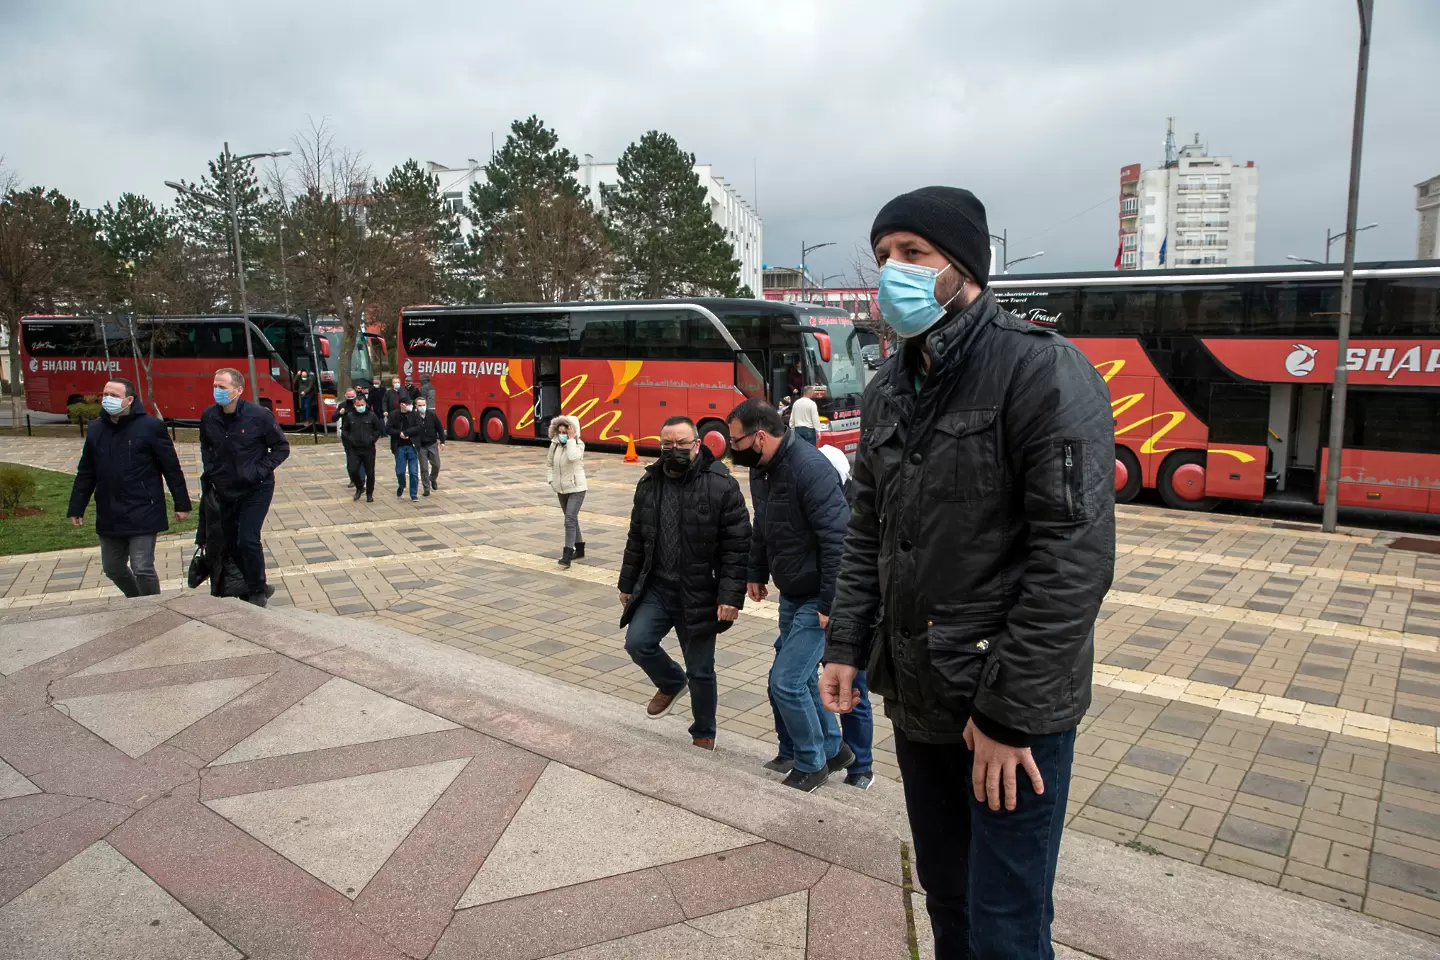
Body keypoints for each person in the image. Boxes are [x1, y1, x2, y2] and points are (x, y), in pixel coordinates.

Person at [821, 186, 1116, 959]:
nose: (894, 272)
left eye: (913, 254)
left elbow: (1074, 557)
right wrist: (846, 644)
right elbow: (864, 531)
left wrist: (1009, 714)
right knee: (947, 899)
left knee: (1007, 925)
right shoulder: (887, 387)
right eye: (884, 256)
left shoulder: (1041, 371)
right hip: (919, 694)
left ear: (965, 267)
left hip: (1008, 712)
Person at [728, 398, 851, 793]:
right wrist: (756, 571)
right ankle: (833, 749)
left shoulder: (810, 469)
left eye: (736, 441)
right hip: (792, 592)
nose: (733, 449)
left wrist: (831, 605)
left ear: (759, 437)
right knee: (798, 680)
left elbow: (838, 541)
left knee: (786, 682)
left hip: (820, 599)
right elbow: (761, 525)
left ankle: (811, 762)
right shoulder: (762, 469)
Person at [618, 416, 751, 751]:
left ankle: (704, 733)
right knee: (637, 642)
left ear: (697, 445)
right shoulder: (649, 483)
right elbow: (637, 537)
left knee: (702, 669)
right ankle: (671, 681)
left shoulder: (721, 484)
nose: (673, 450)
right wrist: (627, 583)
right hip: (658, 588)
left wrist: (731, 596)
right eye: (667, 444)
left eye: (680, 444)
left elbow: (738, 545)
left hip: (701, 592)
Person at [766, 438, 873, 789]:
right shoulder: (798, 486)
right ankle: (832, 748)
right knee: (806, 679)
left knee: (829, 686)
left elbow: (847, 557)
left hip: (836, 609)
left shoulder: (853, 508)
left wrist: (831, 606)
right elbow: (770, 532)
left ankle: (845, 764)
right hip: (805, 597)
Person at [66, 378, 192, 598]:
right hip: (109, 510)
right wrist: (77, 507)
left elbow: (171, 468)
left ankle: (154, 605)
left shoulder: (151, 427)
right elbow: (86, 472)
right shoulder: (96, 429)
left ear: (129, 400)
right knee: (113, 568)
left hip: (143, 507)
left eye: (114, 396)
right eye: (105, 394)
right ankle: (137, 601)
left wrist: (182, 504)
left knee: (142, 567)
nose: (107, 399)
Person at [200, 367, 291, 607]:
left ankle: (257, 591)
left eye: (223, 387)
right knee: (231, 542)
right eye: (215, 386)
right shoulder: (209, 416)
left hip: (256, 488)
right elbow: (206, 447)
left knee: (248, 539)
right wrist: (211, 472)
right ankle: (255, 583)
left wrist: (258, 471)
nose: (217, 391)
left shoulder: (258, 416)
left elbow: (282, 448)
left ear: (238, 390)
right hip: (226, 489)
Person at [547, 415, 587, 567]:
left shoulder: (578, 445)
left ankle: (567, 554)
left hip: (577, 488)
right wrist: (551, 480)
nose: (562, 435)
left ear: (573, 431)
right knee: (571, 518)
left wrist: (571, 440)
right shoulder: (554, 445)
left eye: (566, 432)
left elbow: (572, 457)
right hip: (561, 488)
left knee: (569, 519)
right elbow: (549, 463)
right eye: (560, 432)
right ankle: (580, 548)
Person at [341, 391, 384, 502]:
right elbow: (344, 430)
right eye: (358, 405)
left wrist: (372, 439)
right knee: (353, 469)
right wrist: (350, 439)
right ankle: (359, 487)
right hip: (354, 449)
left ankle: (369, 493)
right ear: (355, 406)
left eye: (362, 405)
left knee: (370, 472)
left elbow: (378, 429)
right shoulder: (350, 416)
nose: (361, 407)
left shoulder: (371, 415)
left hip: (368, 448)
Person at [386, 394, 422, 501]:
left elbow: (419, 427)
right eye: (408, 404)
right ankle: (401, 485)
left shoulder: (414, 415)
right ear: (402, 405)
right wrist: (399, 433)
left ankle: (413, 494)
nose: (410, 406)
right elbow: (388, 429)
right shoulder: (394, 415)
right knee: (400, 471)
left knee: (413, 472)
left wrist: (406, 433)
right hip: (399, 447)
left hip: (412, 446)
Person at [413, 395, 445, 495]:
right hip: (421, 445)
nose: (422, 407)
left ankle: (433, 478)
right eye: (420, 405)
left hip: (432, 444)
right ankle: (426, 488)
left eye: (424, 405)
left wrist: (442, 441)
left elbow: (439, 428)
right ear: (416, 406)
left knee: (436, 464)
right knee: (424, 468)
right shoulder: (413, 417)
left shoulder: (432, 415)